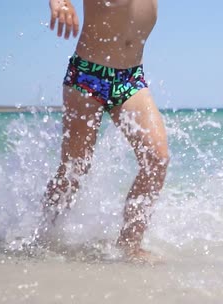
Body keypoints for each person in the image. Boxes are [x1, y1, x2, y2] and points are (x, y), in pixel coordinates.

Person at [41, 0, 169, 262]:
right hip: (88, 75)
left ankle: (129, 245)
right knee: (75, 169)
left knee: (157, 159)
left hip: (131, 79)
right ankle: (42, 233)